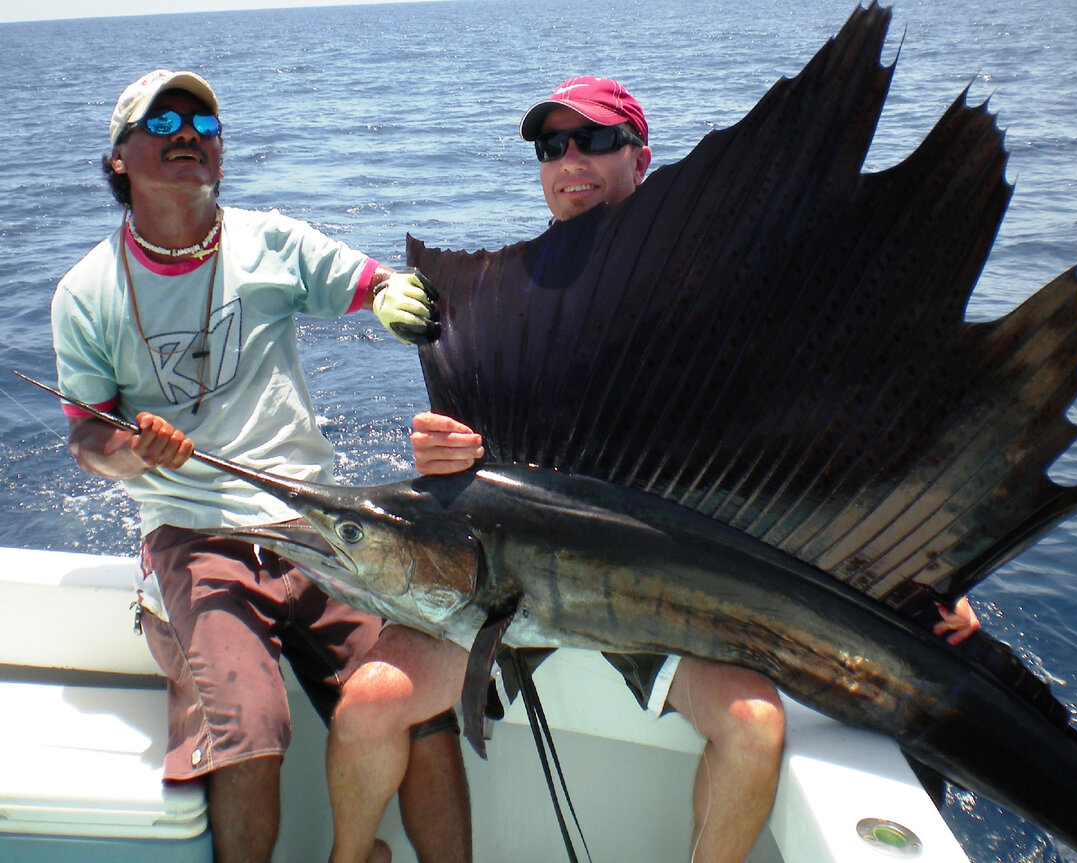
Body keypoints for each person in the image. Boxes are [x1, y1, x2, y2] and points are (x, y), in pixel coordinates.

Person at [328, 77, 981, 863]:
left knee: (754, 726)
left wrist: (912, 566)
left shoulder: (704, 303)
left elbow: (817, 442)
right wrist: (438, 462)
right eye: (551, 145)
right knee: (366, 706)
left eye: (595, 140)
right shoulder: (509, 301)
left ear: (641, 156)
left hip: (654, 599)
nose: (570, 159)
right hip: (509, 589)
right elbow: (464, 497)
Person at [50, 69, 469, 863]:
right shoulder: (86, 291)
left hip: (314, 522)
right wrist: (136, 451)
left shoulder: (272, 240)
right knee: (251, 728)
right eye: (164, 119)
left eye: (206, 125)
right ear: (117, 159)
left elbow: (369, 280)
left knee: (417, 707)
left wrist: (388, 297)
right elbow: (86, 440)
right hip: (194, 535)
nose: (189, 134)